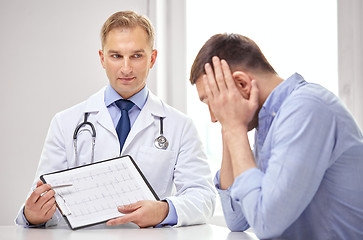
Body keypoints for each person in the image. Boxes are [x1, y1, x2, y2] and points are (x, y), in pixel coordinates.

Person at [15, 11, 215, 228]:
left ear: (152, 58)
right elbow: (41, 200)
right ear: (102, 58)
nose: (126, 68)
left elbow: (203, 197)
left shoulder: (179, 126)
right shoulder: (65, 123)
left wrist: (164, 209)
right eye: (116, 56)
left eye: (136, 56)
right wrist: (32, 215)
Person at [189, 33, 363, 239]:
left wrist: (234, 127)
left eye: (213, 100)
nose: (213, 117)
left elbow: (266, 223)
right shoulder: (269, 122)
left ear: (242, 84)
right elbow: (237, 220)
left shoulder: (306, 108)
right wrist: (230, 128)